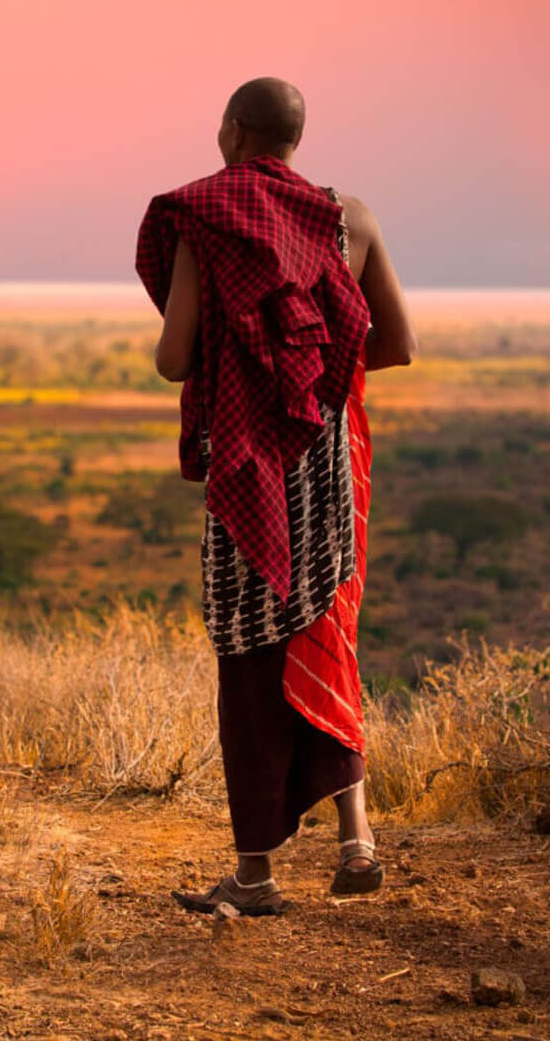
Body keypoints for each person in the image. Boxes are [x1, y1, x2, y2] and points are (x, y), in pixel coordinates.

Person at [136, 77, 417, 915]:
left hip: (248, 469)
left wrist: (255, 380)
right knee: (324, 635)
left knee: (251, 655)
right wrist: (309, 375)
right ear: (295, 138)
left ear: (230, 132)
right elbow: (395, 342)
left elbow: (173, 358)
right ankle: (357, 841)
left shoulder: (203, 220)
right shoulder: (351, 219)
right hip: (324, 460)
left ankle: (255, 875)